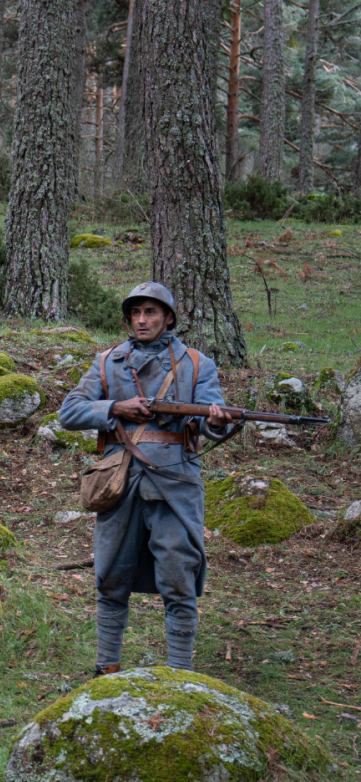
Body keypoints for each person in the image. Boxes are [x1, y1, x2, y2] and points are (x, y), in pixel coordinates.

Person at [59, 283, 241, 675]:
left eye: (152, 313)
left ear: (168, 318)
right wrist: (115, 407)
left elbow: (214, 423)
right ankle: (106, 669)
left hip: (175, 483)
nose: (143, 320)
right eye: (136, 313)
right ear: (128, 319)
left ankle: (179, 674)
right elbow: (69, 412)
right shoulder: (107, 362)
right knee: (110, 577)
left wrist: (216, 421)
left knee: (179, 579)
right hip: (119, 483)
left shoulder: (196, 364)